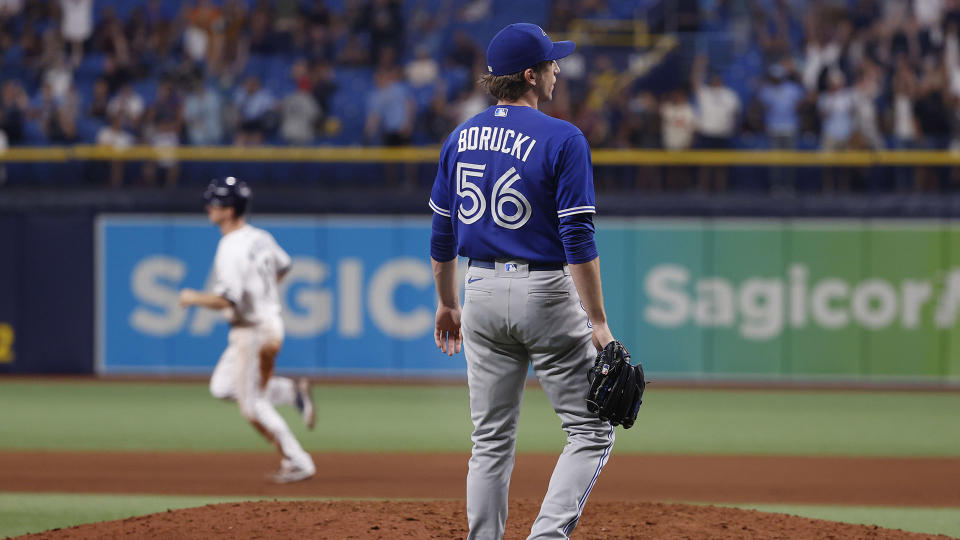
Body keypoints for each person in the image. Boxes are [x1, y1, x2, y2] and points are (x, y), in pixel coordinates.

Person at [429, 23, 618, 540]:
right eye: (552, 63)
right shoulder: (564, 136)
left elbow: (442, 235)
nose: (559, 69)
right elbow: (578, 237)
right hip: (545, 292)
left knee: (489, 440)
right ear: (531, 76)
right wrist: (598, 323)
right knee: (591, 431)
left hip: (480, 291)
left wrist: (448, 303)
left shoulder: (459, 136)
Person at [178, 177, 317, 484]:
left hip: (253, 332)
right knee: (223, 387)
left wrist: (192, 298)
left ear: (228, 210)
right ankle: (292, 391)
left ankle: (298, 461)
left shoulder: (230, 247)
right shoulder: (259, 237)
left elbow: (227, 299)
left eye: (215, 202)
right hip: (267, 325)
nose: (208, 207)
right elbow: (284, 266)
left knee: (253, 404)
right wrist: (264, 298)